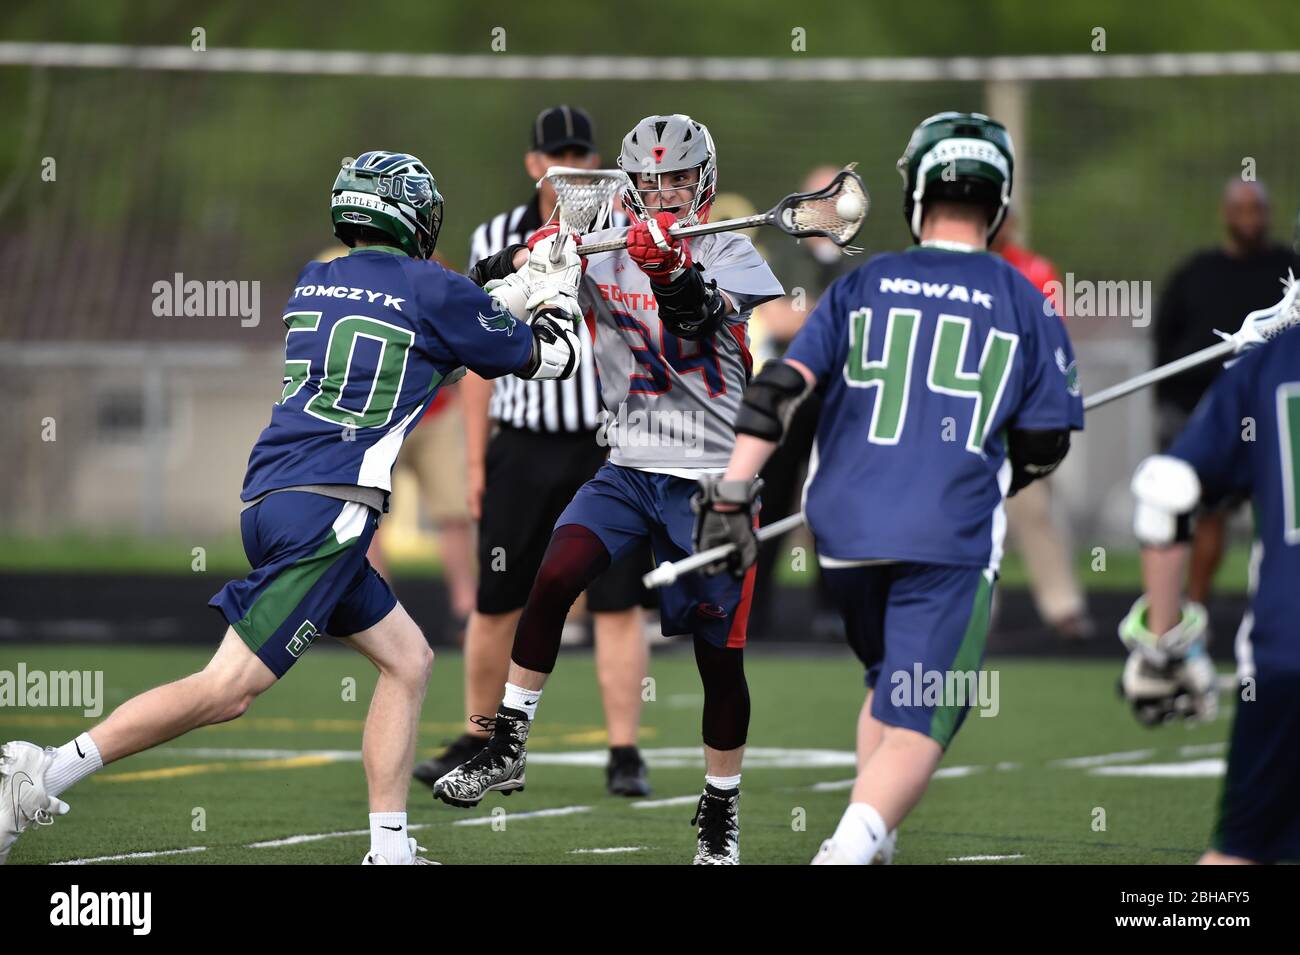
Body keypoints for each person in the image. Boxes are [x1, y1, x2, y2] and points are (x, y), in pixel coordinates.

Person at [0, 150, 585, 866]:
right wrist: (555, 292)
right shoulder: (434, 292)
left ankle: (390, 849)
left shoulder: (317, 280)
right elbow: (552, 358)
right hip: (330, 513)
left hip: (275, 498)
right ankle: (44, 769)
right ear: (412, 214)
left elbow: (418, 344)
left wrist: (496, 293)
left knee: (408, 659)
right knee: (227, 690)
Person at [694, 112, 1084, 864]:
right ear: (996, 200)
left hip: (843, 533)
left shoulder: (865, 281)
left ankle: (877, 841)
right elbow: (1045, 441)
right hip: (945, 534)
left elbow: (776, 389)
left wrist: (733, 492)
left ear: (918, 191)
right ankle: (848, 846)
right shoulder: (1021, 296)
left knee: (888, 683)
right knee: (926, 709)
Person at [434, 114, 784, 864]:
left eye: (678, 179)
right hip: (628, 463)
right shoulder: (605, 249)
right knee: (553, 575)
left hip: (711, 478)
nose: (662, 193)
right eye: (648, 181)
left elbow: (695, 318)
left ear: (705, 183)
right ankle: (507, 746)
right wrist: (530, 263)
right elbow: (491, 289)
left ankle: (719, 810)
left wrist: (668, 269)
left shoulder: (731, 249)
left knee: (720, 659)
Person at [413, 106, 653, 797]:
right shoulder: (498, 236)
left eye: (582, 152)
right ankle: (482, 735)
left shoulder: (622, 233)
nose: (571, 165)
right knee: (498, 599)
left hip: (600, 442)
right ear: (533, 162)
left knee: (615, 601)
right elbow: (481, 353)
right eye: (558, 154)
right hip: (521, 444)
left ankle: (624, 751)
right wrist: (478, 461)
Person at [1120, 322, 1300, 864]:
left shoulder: (1273, 362)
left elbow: (1166, 490)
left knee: (1239, 858)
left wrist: (1162, 642)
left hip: (1289, 650)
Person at [1153, 180, 1298, 609]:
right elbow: (1165, 338)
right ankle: (1186, 616)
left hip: (1273, 413)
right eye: (1241, 209)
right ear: (1225, 213)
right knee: (1197, 506)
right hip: (1204, 405)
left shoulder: (1282, 268)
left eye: (1257, 209)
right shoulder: (1196, 273)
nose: (1249, 218)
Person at [991, 209, 1094, 640]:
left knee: (1034, 512)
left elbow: (1051, 336)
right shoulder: (958, 269)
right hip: (964, 416)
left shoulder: (1034, 269)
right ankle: (972, 611)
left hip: (1018, 415)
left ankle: (1062, 606)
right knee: (969, 519)